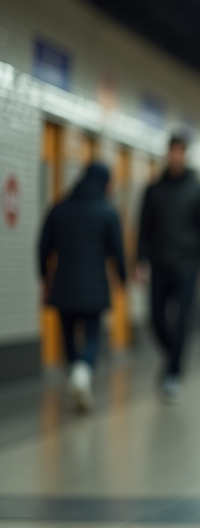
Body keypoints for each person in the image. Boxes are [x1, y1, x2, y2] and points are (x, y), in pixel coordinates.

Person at [37, 162, 127, 412]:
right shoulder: (108, 212)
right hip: (94, 287)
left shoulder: (59, 208)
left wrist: (45, 276)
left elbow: (43, 246)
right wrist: (122, 279)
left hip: (64, 284)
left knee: (68, 335)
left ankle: (76, 371)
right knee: (91, 334)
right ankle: (83, 373)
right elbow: (117, 252)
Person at [136, 133, 200, 402]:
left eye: (180, 152)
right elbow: (143, 227)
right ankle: (173, 359)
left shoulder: (198, 190)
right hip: (159, 263)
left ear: (186, 154)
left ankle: (172, 374)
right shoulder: (154, 189)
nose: (176, 156)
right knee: (156, 319)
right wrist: (140, 260)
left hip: (187, 264)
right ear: (168, 154)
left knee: (181, 320)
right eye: (173, 151)